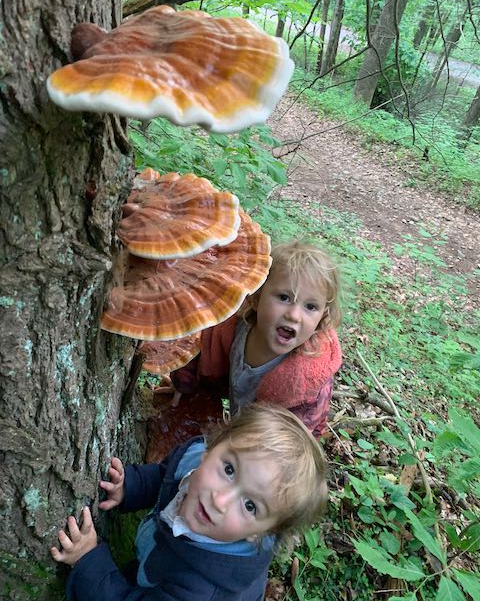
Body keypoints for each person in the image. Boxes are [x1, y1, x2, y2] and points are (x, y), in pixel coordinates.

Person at [50, 403, 328, 601]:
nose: (220, 500)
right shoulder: (194, 461)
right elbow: (166, 478)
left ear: (262, 532)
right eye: (229, 470)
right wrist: (131, 487)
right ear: (212, 449)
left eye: (250, 506)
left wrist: (88, 562)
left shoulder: (201, 588)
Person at [171, 240, 342, 437]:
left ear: (323, 316)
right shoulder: (234, 324)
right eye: (284, 297)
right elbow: (202, 344)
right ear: (256, 297)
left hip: (276, 439)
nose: (294, 315)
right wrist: (183, 383)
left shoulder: (306, 384)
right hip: (243, 413)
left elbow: (293, 441)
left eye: (310, 307)